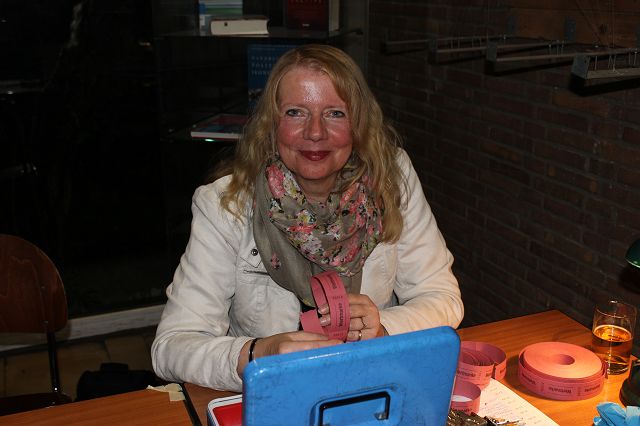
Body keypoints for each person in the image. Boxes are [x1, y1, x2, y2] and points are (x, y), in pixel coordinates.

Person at [151, 44, 464, 392]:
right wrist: (258, 354)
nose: (315, 132)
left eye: (335, 113)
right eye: (296, 112)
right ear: (271, 124)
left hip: (368, 385)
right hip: (274, 396)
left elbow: (442, 297)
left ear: (359, 124)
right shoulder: (226, 206)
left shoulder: (392, 178)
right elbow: (171, 347)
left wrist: (385, 329)